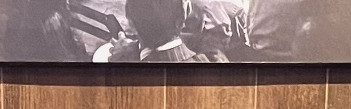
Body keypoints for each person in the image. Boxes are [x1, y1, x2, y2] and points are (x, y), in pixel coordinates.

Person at [94, 0, 253, 62]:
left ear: (130, 23)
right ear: (184, 16)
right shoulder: (213, 61)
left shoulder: (118, 63)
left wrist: (129, 52)